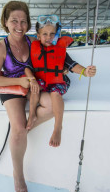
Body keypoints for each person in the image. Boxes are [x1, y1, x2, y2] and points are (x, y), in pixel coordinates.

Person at [0, 1, 57, 192]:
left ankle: (25, 129)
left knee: (53, 106)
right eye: (14, 21)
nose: (19, 26)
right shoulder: (1, 47)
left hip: (31, 84)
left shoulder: (32, 42)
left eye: (24, 21)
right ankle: (18, 175)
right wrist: (19, 80)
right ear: (5, 22)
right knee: (17, 129)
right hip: (11, 86)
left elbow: (49, 58)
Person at [25, 14, 96, 148]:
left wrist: (85, 71)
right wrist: (32, 79)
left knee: (55, 94)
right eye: (45, 34)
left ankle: (58, 127)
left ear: (56, 34)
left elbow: (73, 65)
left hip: (58, 81)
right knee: (34, 88)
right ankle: (32, 114)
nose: (49, 37)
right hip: (41, 80)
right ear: (38, 36)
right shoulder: (33, 49)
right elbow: (27, 68)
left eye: (52, 34)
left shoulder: (59, 49)